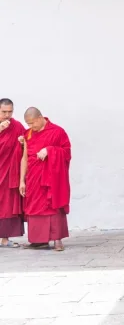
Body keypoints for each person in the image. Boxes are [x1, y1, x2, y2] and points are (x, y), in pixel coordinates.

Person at [21, 108, 71, 252]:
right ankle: (38, 240)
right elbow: (24, 158)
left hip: (51, 179)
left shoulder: (57, 132)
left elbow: (66, 153)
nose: (31, 127)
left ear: (40, 117)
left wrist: (50, 150)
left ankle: (57, 240)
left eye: (32, 123)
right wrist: (22, 181)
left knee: (52, 206)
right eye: (28, 124)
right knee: (34, 207)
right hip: (34, 177)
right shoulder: (28, 134)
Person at [0, 99, 25, 248]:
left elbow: (28, 143)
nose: (7, 115)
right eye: (4, 112)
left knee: (6, 205)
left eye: (10, 112)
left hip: (9, 173)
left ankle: (4, 239)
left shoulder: (16, 126)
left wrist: (23, 143)